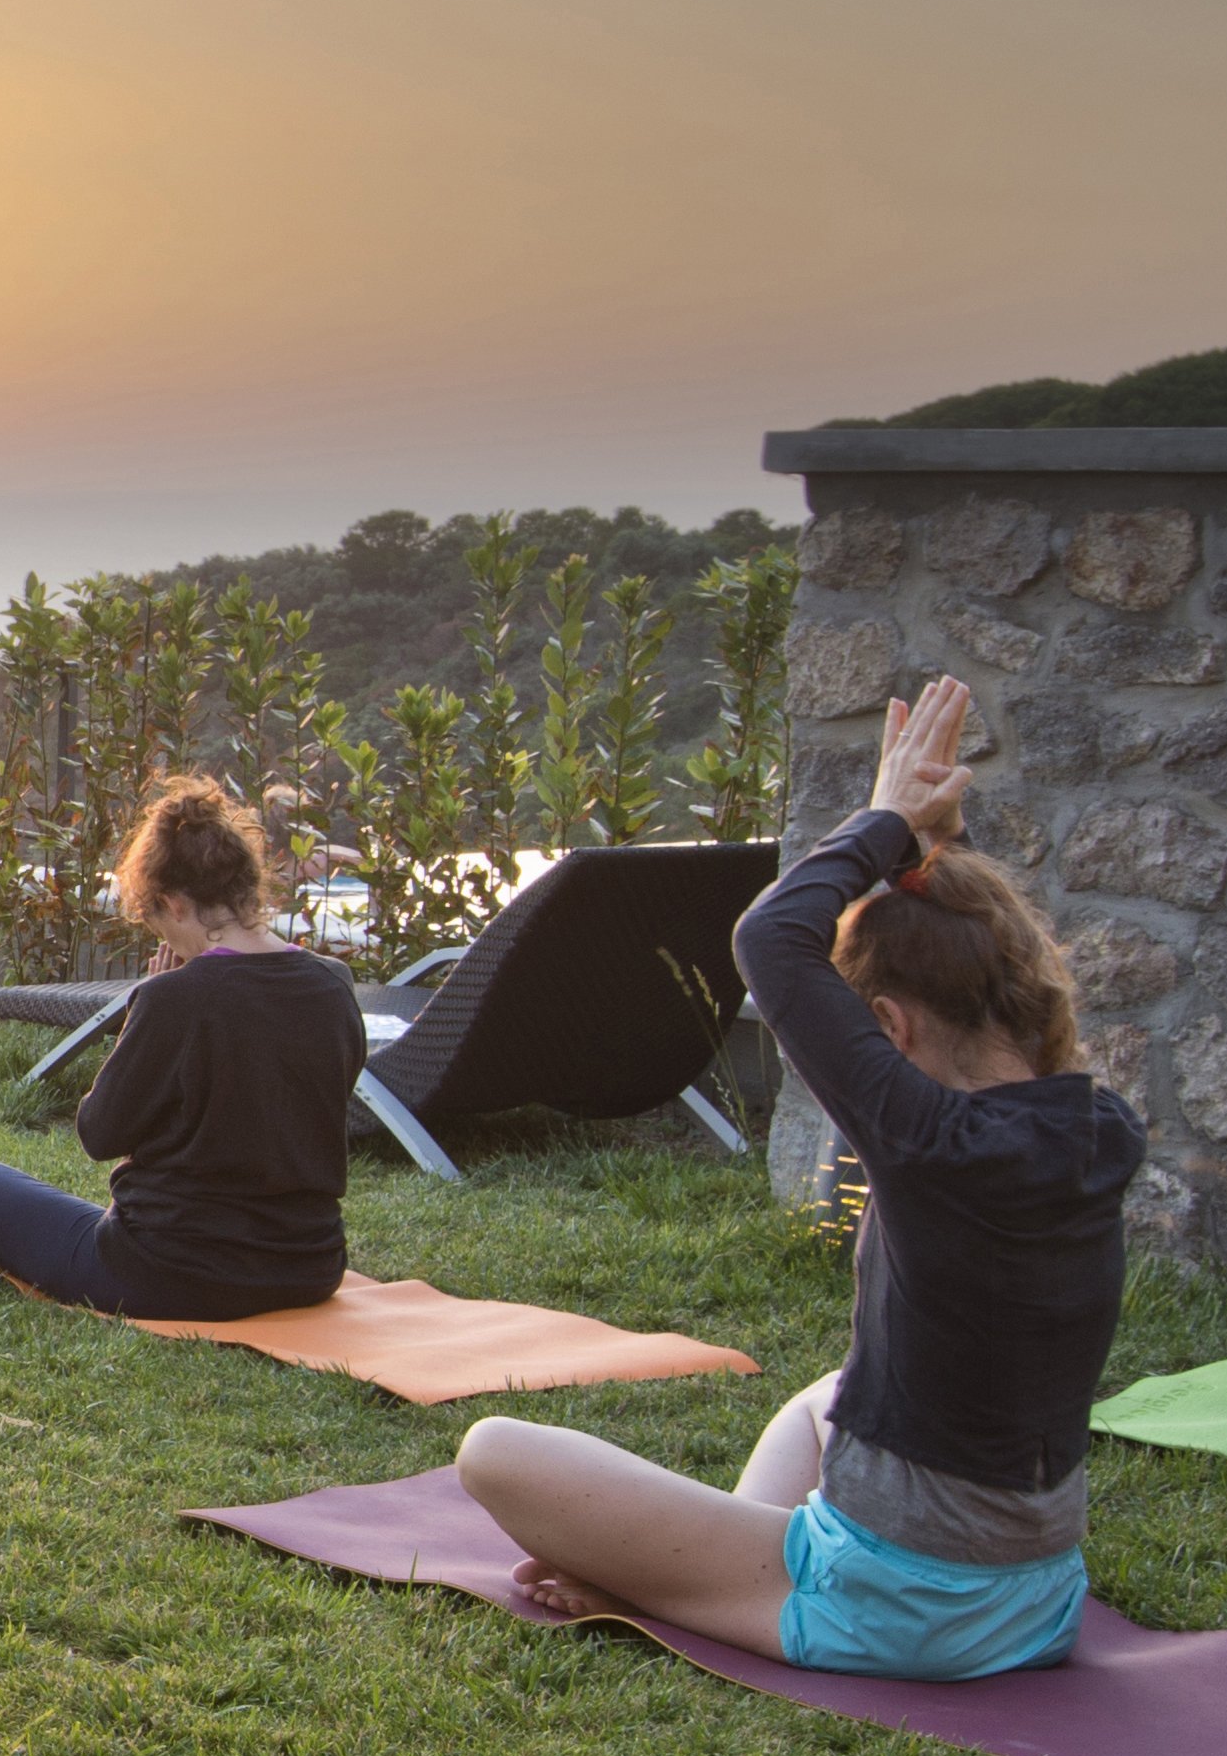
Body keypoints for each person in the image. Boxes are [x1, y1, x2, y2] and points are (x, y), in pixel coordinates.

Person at [454, 679, 1137, 1675]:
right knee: (826, 1397)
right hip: (1036, 1598)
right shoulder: (1093, 1122)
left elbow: (768, 939)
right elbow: (974, 947)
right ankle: (699, 1572)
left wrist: (889, 825)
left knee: (492, 1451)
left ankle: (682, 1586)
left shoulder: (928, 1137)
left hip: (903, 1607)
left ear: (891, 1028)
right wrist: (935, 847)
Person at [0, 770, 358, 1319]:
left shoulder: (175, 998)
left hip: (167, 1273)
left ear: (175, 904)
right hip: (308, 1267)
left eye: (156, 922)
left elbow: (100, 1132)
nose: (164, 942)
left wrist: (149, 1004)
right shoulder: (333, 983)